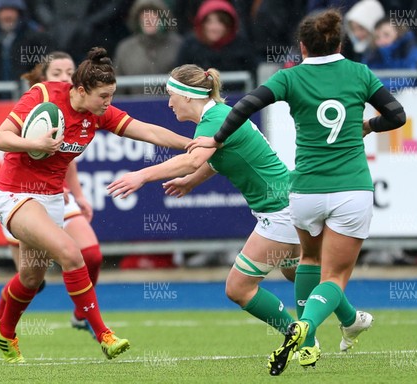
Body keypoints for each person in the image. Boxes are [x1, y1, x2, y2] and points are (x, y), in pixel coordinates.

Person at [186, 9, 406, 376]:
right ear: (339, 42)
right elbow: (397, 116)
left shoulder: (291, 76)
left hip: (305, 191)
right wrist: (368, 124)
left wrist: (217, 137)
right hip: (350, 188)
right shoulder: (359, 73)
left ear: (302, 46)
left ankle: (306, 339)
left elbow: (245, 104)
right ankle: (309, 325)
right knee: (334, 276)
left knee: (309, 261)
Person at [0, 47, 191, 363]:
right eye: (104, 96)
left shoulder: (98, 113)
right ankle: (103, 334)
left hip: (53, 198)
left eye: (111, 95)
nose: (108, 103)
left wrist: (190, 144)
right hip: (15, 193)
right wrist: (35, 144)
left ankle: (4, 331)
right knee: (71, 253)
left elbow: (146, 130)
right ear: (80, 90)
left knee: (30, 278)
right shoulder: (42, 94)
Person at [108, 63, 301, 344]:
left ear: (187, 96)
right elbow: (216, 159)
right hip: (285, 201)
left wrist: (142, 175)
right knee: (296, 272)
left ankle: (297, 334)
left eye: (171, 95)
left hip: (279, 208)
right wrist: (191, 182)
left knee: (238, 288)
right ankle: (349, 317)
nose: (169, 102)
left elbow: (192, 159)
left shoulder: (213, 119)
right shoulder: (217, 116)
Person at [0, 51, 103, 337]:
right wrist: (31, 143)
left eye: (69, 72)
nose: (65, 78)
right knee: (32, 280)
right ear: (44, 79)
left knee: (91, 254)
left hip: (58, 195)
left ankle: (83, 316)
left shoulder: (84, 108)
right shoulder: (40, 102)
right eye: (57, 74)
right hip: (21, 195)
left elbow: (69, 161)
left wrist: (79, 195)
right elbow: (1, 140)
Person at [175, 0, 257, 89]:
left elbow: (253, 77)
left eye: (220, 22)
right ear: (201, 24)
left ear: (228, 24)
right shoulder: (189, 46)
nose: (214, 27)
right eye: (209, 22)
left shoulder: (242, 46)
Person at [114, 0, 182, 95]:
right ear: (138, 20)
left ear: (162, 18)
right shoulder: (125, 49)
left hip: (171, 107)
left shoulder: (178, 45)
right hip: (135, 107)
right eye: (145, 15)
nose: (149, 19)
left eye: (154, 14)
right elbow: (118, 90)